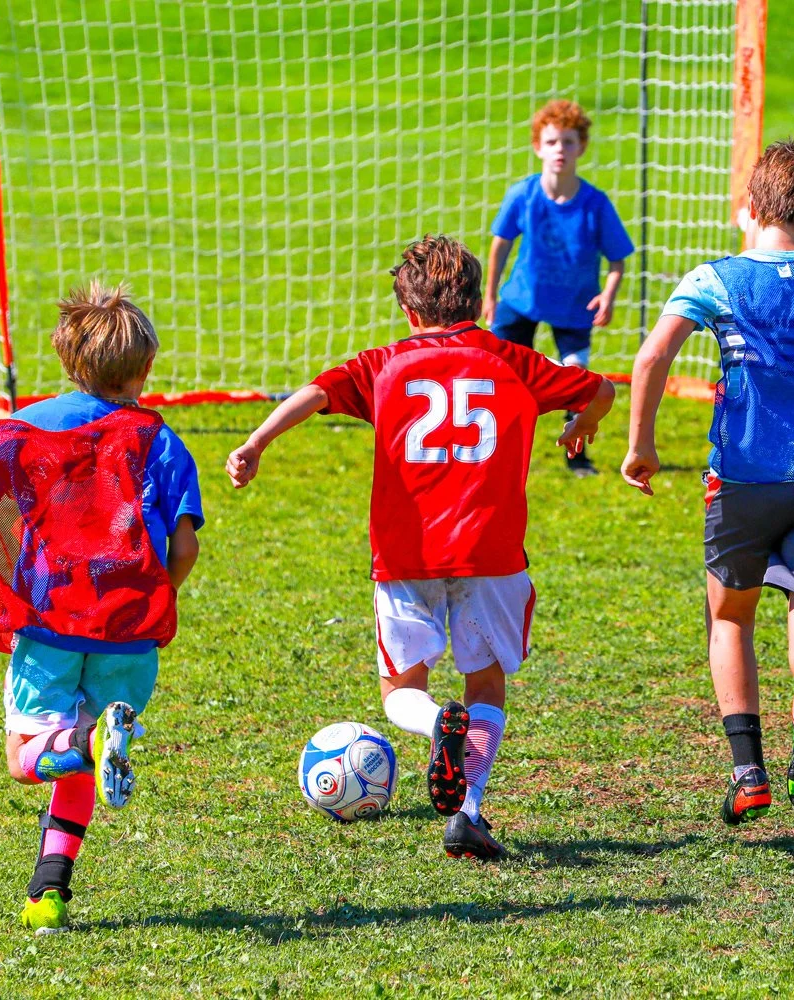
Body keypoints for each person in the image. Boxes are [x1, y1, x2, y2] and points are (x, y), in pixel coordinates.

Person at [228, 235, 614, 859]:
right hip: (491, 552)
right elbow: (597, 390)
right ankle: (468, 810)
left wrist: (256, 443)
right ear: (476, 302)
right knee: (484, 683)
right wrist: (581, 425)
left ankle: (435, 722)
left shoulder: (384, 362)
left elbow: (317, 392)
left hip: (406, 552)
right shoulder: (511, 359)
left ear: (409, 311)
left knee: (402, 686)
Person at [621, 138, 794, 825]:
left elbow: (652, 357)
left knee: (730, 618)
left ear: (753, 200)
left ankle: (748, 774)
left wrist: (642, 445)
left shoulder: (716, 278)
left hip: (744, 478)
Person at [0, 283, 203, 932]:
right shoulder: (160, 440)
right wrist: (158, 589)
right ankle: (48, 893)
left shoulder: (23, 427)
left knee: (30, 755)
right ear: (146, 370)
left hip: (51, 625)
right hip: (129, 635)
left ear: (65, 360)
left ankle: (87, 740)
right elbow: (185, 545)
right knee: (84, 753)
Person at [483, 99, 633, 477]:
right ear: (537, 147)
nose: (559, 151)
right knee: (501, 374)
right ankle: (490, 450)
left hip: (574, 305)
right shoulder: (523, 195)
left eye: (568, 142)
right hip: (521, 300)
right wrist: (489, 294)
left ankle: (577, 456)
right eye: (551, 142)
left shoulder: (596, 204)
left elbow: (618, 259)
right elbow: (500, 243)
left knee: (577, 380)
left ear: (581, 147)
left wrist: (608, 295)